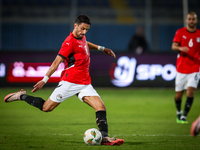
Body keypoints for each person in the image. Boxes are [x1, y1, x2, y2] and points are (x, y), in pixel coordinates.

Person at [4, 15, 124, 146]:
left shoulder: (81, 37)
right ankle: (21, 96)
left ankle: (105, 138)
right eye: (82, 29)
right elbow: (56, 62)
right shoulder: (68, 42)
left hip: (84, 83)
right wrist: (44, 80)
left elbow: (85, 44)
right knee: (46, 108)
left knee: (100, 107)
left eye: (86, 30)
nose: (84, 32)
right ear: (75, 25)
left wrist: (102, 49)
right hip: (70, 81)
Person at [171, 12, 200, 124]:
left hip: (195, 68)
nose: (191, 21)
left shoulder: (199, 34)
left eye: (193, 19)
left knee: (190, 92)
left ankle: (184, 116)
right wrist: (181, 48)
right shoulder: (180, 32)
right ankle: (179, 112)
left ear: (196, 21)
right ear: (187, 20)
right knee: (179, 95)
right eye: (189, 19)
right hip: (182, 68)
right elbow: (173, 46)